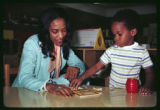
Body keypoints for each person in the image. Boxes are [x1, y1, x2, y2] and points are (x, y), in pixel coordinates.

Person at [70, 9, 154, 95]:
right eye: (114, 34)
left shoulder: (142, 52)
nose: (115, 38)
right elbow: (96, 67)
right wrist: (81, 78)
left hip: (133, 93)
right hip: (114, 93)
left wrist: (147, 86)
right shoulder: (111, 50)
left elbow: (149, 72)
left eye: (119, 34)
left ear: (133, 32)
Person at [12, 7, 87, 97]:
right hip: (23, 93)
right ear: (46, 31)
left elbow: (80, 64)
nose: (61, 36)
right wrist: (50, 86)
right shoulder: (32, 43)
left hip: (45, 94)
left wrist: (76, 68)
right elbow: (24, 78)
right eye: (55, 31)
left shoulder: (62, 45)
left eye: (64, 30)